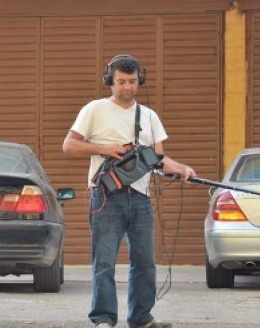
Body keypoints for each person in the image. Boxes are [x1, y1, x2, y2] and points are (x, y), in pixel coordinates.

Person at [63, 54, 196, 328]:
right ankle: (103, 320)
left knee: (145, 263)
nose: (127, 87)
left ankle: (141, 318)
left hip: (141, 198)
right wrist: (104, 148)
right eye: (121, 81)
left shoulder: (149, 116)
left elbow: (157, 159)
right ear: (110, 81)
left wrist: (182, 168)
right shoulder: (94, 109)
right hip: (105, 197)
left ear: (140, 80)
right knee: (104, 263)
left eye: (132, 81)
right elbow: (69, 146)